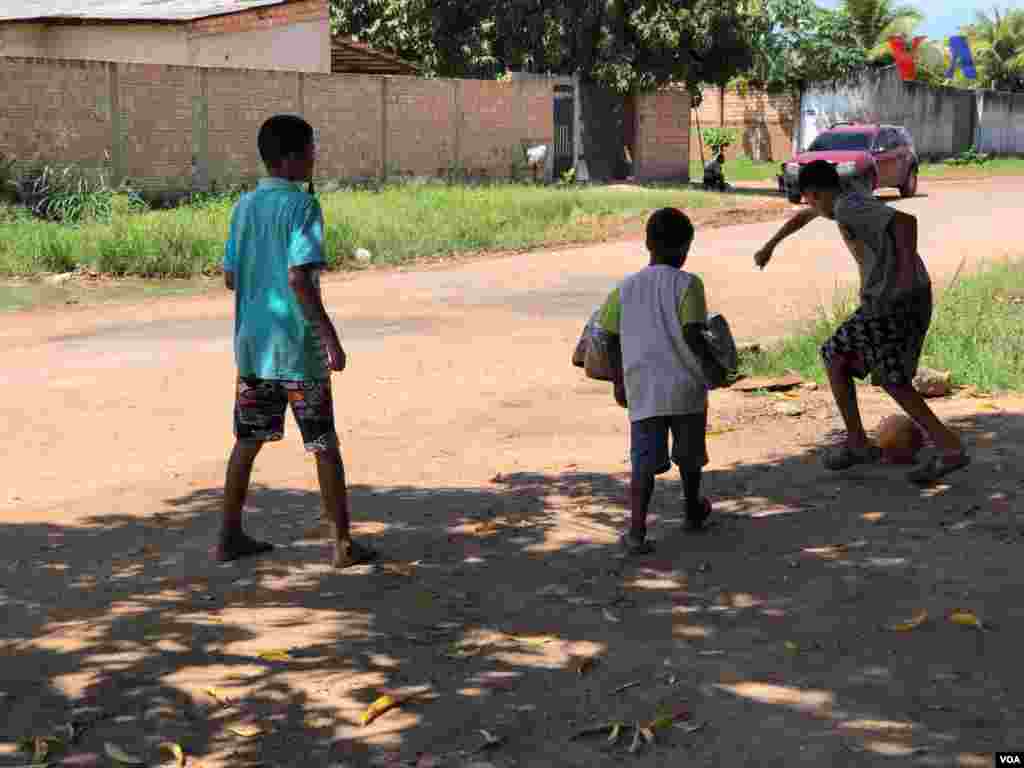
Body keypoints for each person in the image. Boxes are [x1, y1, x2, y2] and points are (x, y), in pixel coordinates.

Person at [218, 114, 377, 567]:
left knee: (246, 442)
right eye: (310, 150)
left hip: (254, 348)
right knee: (323, 443)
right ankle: (342, 545)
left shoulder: (243, 207)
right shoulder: (303, 208)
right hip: (298, 350)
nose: (314, 158)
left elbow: (231, 277)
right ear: (290, 160)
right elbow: (299, 279)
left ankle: (228, 536)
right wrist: (330, 337)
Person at [754, 159, 969, 485]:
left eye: (809, 199)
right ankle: (936, 446)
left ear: (815, 192)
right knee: (876, 371)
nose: (810, 207)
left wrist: (901, 280)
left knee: (842, 357)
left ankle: (874, 444)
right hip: (899, 298)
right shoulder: (842, 199)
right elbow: (802, 217)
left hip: (894, 300)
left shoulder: (848, 208)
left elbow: (905, 224)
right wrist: (770, 245)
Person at [597, 208, 728, 555]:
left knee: (643, 464)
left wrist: (618, 382)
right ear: (686, 247)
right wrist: (712, 366)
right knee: (689, 457)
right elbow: (692, 332)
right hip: (685, 387)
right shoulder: (688, 283)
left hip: (644, 390)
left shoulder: (624, 288)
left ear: (647, 243)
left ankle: (637, 531)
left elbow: (608, 336)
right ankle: (691, 509)